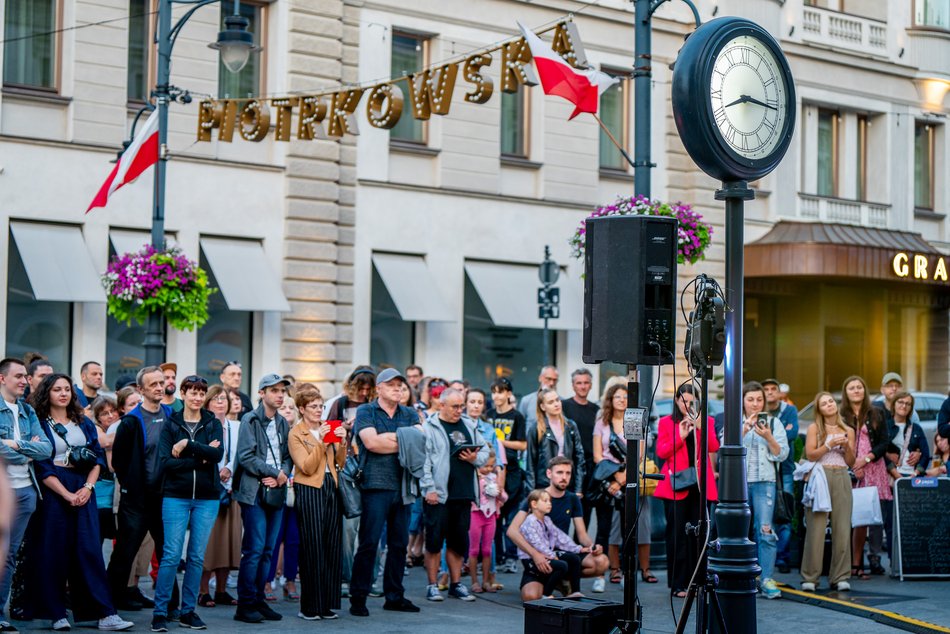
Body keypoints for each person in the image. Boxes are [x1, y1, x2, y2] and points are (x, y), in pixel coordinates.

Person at [28, 374, 134, 631]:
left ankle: (105, 613)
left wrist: (87, 487)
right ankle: (56, 614)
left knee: (89, 550)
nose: (63, 394)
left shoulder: (83, 421)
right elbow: (42, 466)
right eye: (56, 390)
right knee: (55, 551)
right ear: (47, 393)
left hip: (84, 487)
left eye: (66, 389)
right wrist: (66, 494)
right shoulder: (39, 424)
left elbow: (97, 457)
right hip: (54, 489)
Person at [150, 375, 224, 633]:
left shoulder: (212, 422)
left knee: (195, 557)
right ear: (183, 394)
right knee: (170, 556)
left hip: (207, 498)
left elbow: (217, 455)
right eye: (192, 392)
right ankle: (160, 613)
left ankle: (188, 612)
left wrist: (188, 445)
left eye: (200, 393)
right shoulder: (171, 424)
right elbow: (166, 463)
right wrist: (200, 456)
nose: (197, 397)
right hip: (175, 496)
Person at [349, 368, 420, 617]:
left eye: (401, 386)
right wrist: (404, 440)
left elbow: (418, 444)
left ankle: (395, 596)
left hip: (403, 487)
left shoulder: (410, 413)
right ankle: (358, 596)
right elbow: (371, 443)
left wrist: (390, 439)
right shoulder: (366, 411)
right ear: (378, 388)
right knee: (369, 543)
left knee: (399, 544)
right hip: (375, 486)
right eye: (391, 385)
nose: (398, 389)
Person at [107, 366, 178, 614]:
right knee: (125, 553)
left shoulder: (172, 415)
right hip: (137, 500)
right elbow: (119, 464)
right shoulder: (130, 422)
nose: (160, 387)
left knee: (167, 553)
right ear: (141, 389)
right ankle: (108, 604)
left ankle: (172, 605)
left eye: (161, 383)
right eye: (153, 384)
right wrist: (133, 488)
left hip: (166, 497)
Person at [232, 374, 293, 624]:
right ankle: (245, 605)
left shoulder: (282, 423)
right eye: (274, 390)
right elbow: (245, 456)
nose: (280, 395)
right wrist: (273, 473)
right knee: (254, 550)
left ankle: (258, 600)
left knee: (268, 550)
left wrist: (282, 475)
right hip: (253, 491)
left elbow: (288, 457)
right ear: (261, 393)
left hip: (276, 490)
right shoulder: (250, 419)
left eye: (282, 391)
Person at [506, 457, 608, 601]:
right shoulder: (536, 497)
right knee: (531, 597)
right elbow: (512, 531)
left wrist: (591, 547)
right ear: (549, 473)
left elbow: (582, 534)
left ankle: (562, 579)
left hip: (561, 551)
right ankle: (552, 581)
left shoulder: (572, 498)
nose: (564, 477)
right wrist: (535, 554)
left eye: (568, 473)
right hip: (537, 555)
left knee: (601, 561)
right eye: (559, 472)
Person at [420, 387, 489, 602]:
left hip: (463, 493)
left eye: (461, 406)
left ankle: (456, 584)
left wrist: (473, 459)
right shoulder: (430, 426)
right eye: (455, 406)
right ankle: (432, 585)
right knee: (433, 541)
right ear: (442, 405)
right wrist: (428, 488)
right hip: (438, 494)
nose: (460, 410)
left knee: (458, 542)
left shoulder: (469, 424)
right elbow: (424, 461)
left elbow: (485, 452)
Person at [0, 358, 52, 633]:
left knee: (8, 556)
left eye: (25, 376)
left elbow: (45, 450)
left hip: (26, 493)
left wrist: (15, 445)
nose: (24, 380)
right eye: (19, 376)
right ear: (2, 379)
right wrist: (25, 453)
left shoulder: (28, 411)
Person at [654, 383, 719, 598]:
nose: (687, 405)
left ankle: (697, 581)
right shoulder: (666, 422)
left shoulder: (706, 421)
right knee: (677, 535)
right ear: (676, 400)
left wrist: (700, 426)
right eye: (683, 400)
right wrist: (680, 436)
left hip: (699, 486)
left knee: (698, 535)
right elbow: (662, 452)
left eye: (692, 402)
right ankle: (678, 583)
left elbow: (713, 447)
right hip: (676, 485)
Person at [289, 384, 346, 620]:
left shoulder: (327, 428)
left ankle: (327, 604)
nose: (318, 410)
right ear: (302, 409)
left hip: (330, 488)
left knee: (332, 546)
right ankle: (309, 606)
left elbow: (339, 463)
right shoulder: (296, 433)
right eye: (313, 406)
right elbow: (307, 466)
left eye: (321, 406)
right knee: (312, 547)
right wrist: (322, 442)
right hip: (309, 489)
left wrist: (341, 443)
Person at [592, 384, 654, 588]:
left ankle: (644, 569)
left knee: (642, 524)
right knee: (614, 527)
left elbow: (640, 453)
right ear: (610, 399)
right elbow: (597, 455)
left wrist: (623, 478)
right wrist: (614, 479)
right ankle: (615, 569)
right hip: (609, 479)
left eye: (625, 397)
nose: (621, 400)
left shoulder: (636, 420)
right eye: (617, 397)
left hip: (634, 478)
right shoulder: (602, 422)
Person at [321, 365, 375, 597]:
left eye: (368, 389)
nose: (363, 393)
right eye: (360, 388)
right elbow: (328, 437)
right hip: (346, 469)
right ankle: (347, 577)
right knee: (349, 527)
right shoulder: (340, 404)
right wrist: (344, 428)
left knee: (372, 528)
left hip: (372, 468)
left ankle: (368, 579)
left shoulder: (375, 407)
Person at [800, 391, 855, 592]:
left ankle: (840, 576)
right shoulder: (815, 428)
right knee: (816, 527)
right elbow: (811, 454)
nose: (829, 404)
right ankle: (810, 577)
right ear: (819, 409)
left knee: (842, 527)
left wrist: (847, 445)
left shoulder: (848, 429)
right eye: (824, 403)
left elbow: (851, 461)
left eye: (831, 401)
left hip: (841, 475)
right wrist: (828, 445)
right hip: (820, 475)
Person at [740, 381, 789, 600]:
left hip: (765, 483)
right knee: (739, 534)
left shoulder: (774, 422)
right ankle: (742, 578)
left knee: (765, 532)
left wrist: (768, 436)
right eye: (750, 399)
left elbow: (782, 454)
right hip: (738, 485)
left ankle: (767, 578)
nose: (755, 404)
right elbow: (721, 449)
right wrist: (743, 429)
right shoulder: (736, 421)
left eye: (759, 399)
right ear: (742, 401)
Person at [840, 375, 891, 579]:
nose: (856, 390)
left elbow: (884, 442)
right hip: (848, 469)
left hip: (872, 468)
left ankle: (862, 562)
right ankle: (849, 563)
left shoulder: (876, 412)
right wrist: (854, 464)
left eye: (859, 387)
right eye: (851, 387)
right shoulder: (841, 414)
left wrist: (867, 459)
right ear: (846, 392)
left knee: (867, 518)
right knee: (849, 519)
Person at [198, 386, 242, 609]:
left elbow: (242, 453)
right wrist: (217, 472)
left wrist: (231, 470)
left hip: (231, 490)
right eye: (215, 399)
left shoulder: (237, 426)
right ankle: (203, 591)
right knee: (209, 543)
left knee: (228, 543)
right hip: (208, 490)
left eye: (223, 398)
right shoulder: (202, 426)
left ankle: (222, 590)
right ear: (207, 403)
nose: (220, 402)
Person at [516, 489, 591, 600]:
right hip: (531, 559)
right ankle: (546, 593)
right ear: (534, 504)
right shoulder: (530, 521)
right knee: (561, 566)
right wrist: (551, 555)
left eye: (550, 501)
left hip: (547, 553)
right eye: (545, 501)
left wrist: (578, 549)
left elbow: (560, 537)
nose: (549, 504)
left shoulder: (547, 520)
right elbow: (536, 543)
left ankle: (575, 592)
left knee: (574, 559)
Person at [485, 377, 527, 574]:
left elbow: (522, 444)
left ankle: (511, 557)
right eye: (494, 391)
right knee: (494, 517)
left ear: (509, 393)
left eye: (500, 391)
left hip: (512, 471)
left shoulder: (517, 416)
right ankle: (498, 556)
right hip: (492, 471)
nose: (496, 396)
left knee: (510, 517)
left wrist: (500, 442)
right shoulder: (489, 415)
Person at [263, 399, 301, 603]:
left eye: (291, 408)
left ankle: (290, 580)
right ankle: (267, 580)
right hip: (277, 488)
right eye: (283, 407)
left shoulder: (301, 432)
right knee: (274, 539)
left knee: (294, 539)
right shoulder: (273, 430)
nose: (287, 411)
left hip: (298, 492)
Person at [760, 378, 798, 574]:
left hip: (785, 468)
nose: (770, 392)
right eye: (765, 389)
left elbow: (792, 435)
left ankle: (782, 557)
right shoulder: (759, 411)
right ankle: (767, 557)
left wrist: (772, 437)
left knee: (785, 512)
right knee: (766, 514)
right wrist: (780, 435)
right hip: (765, 468)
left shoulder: (789, 410)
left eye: (773, 389)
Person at [525, 387, 585, 495]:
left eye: (557, 400)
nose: (556, 404)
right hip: (544, 484)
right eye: (551, 402)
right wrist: (531, 493)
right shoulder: (536, 429)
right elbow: (530, 463)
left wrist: (578, 488)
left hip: (567, 483)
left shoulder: (570, 426)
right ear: (543, 407)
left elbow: (580, 459)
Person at [560, 368, 599, 528]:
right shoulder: (563, 407)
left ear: (591, 385)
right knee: (562, 515)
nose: (582, 386)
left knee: (584, 515)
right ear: (573, 385)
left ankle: (581, 552)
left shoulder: (597, 411)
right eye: (579, 383)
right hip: (568, 466)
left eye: (586, 383)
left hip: (590, 467)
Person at [468, 450, 506, 594]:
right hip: (475, 514)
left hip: (490, 516)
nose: (488, 469)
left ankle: (485, 581)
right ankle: (474, 581)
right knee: (474, 549)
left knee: (487, 549)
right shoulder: (473, 477)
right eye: (485, 466)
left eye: (491, 466)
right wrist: (481, 482)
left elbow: (504, 498)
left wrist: (499, 493)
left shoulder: (494, 478)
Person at [90, 396, 120, 543]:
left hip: (116, 492)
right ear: (97, 418)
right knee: (96, 539)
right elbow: (105, 442)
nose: (110, 416)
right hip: (100, 493)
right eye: (104, 413)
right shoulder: (95, 429)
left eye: (113, 411)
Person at [886, 392, 930, 480]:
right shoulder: (884, 427)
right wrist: (895, 474)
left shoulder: (916, 428)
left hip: (913, 476)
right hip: (890, 475)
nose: (904, 406)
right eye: (900, 402)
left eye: (908, 404)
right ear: (894, 404)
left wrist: (916, 473)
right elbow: (879, 452)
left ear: (911, 408)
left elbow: (926, 454)